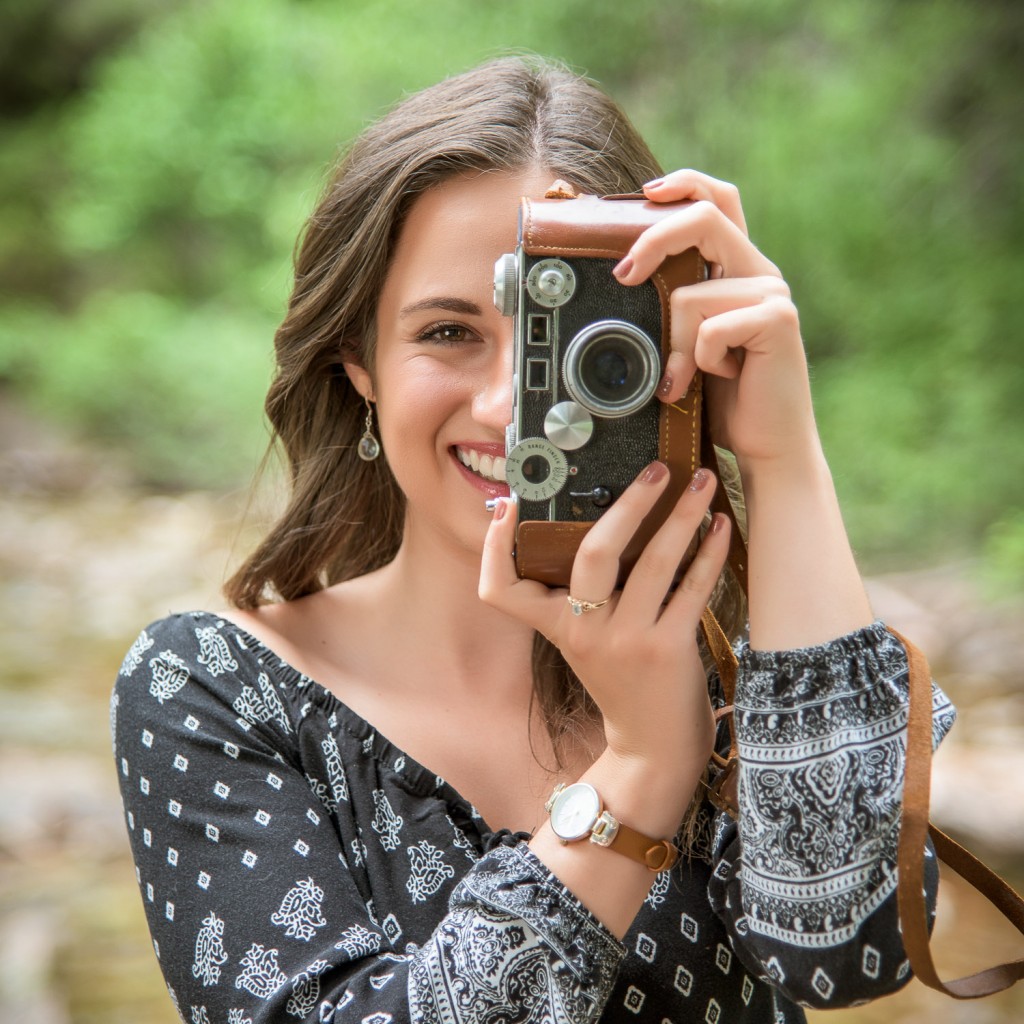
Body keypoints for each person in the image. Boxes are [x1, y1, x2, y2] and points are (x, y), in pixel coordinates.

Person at [111, 56, 956, 1024]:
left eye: (583, 341)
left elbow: (852, 955)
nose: (513, 407)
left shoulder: (757, 669)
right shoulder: (216, 686)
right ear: (358, 363)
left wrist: (782, 453)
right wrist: (639, 770)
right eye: (446, 331)